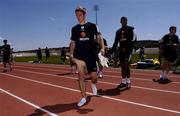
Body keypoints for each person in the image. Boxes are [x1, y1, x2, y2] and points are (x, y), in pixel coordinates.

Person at [70, 6, 105, 107]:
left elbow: (99, 38)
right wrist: (72, 56)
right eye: (76, 15)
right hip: (79, 56)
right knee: (81, 76)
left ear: (84, 14)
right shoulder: (74, 29)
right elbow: (72, 43)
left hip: (91, 55)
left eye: (80, 15)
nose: (78, 17)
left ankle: (93, 84)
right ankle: (83, 97)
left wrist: (102, 48)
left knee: (94, 77)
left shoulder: (93, 26)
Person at [111, 16, 137, 90]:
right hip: (121, 51)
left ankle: (128, 81)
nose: (124, 22)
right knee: (122, 66)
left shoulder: (131, 29)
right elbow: (116, 42)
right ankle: (123, 82)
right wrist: (111, 51)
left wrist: (128, 48)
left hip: (128, 50)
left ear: (127, 21)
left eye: (125, 20)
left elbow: (134, 39)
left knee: (126, 65)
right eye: (122, 20)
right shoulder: (118, 31)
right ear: (120, 22)